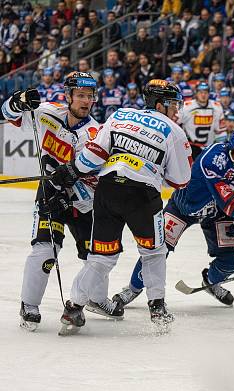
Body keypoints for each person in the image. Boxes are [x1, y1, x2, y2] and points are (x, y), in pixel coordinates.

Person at [51, 80, 193, 334]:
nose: (176, 111)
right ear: (160, 105)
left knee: (100, 258)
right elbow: (181, 179)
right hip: (142, 196)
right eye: (173, 105)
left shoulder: (121, 114)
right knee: (154, 253)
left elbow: (94, 153)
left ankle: (73, 309)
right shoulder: (174, 130)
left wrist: (71, 170)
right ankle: (157, 308)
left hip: (108, 191)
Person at [112, 130, 234, 309]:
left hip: (216, 212)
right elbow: (229, 203)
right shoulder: (213, 158)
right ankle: (133, 288)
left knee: (230, 262)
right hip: (184, 208)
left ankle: (210, 282)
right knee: (157, 250)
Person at [0, 73, 111, 330]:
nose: (86, 101)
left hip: (84, 201)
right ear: (68, 96)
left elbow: (93, 180)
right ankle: (29, 304)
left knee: (96, 255)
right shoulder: (47, 113)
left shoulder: (95, 134)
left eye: (90, 96)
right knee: (45, 250)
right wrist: (17, 102)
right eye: (81, 96)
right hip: (50, 193)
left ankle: (96, 297)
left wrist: (70, 199)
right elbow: (7, 114)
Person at [180, 81, 225, 159]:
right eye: (200, 92)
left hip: (209, 147)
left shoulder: (217, 106)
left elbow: (220, 130)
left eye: (205, 92)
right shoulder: (186, 107)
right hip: (191, 146)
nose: (203, 95)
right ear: (196, 93)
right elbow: (175, 125)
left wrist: (220, 146)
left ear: (209, 93)